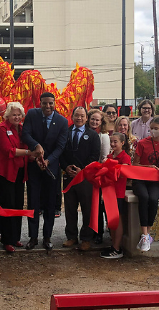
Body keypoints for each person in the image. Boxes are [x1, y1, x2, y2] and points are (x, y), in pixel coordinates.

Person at [21, 92, 68, 251]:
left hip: (51, 167)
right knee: (33, 202)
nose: (48, 106)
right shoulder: (32, 114)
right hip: (34, 165)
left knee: (49, 203)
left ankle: (47, 237)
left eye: (50, 103)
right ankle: (33, 237)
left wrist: (47, 161)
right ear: (39, 103)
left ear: (55, 104)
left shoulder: (62, 121)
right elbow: (25, 134)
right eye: (44, 103)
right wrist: (36, 146)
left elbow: (60, 146)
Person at [61, 107, 100, 251]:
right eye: (76, 115)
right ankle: (71, 236)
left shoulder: (93, 135)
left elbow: (94, 156)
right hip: (69, 176)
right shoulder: (65, 132)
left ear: (86, 118)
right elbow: (61, 152)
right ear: (72, 116)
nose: (79, 118)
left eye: (82, 116)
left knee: (87, 208)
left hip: (86, 177)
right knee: (70, 208)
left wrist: (82, 170)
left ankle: (86, 238)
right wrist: (66, 167)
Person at [131, 116, 159, 252]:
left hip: (156, 180)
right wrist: (147, 167)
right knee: (144, 197)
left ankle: (146, 235)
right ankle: (145, 234)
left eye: (156, 129)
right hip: (141, 179)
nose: (153, 131)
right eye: (151, 129)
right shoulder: (142, 143)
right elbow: (135, 164)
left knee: (154, 199)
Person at [0, 103, 30, 252]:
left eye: (19, 114)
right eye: (14, 114)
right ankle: (7, 240)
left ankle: (16, 237)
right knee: (8, 205)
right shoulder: (2, 129)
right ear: (7, 116)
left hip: (19, 172)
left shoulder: (21, 129)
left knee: (18, 205)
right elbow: (8, 150)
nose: (16, 117)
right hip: (6, 172)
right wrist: (29, 153)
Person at [100, 132, 131, 259]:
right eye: (111, 142)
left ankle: (117, 248)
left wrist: (108, 164)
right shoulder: (109, 156)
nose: (112, 144)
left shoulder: (125, 157)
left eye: (115, 142)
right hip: (108, 192)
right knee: (111, 220)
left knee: (116, 221)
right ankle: (114, 245)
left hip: (118, 193)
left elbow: (123, 173)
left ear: (122, 143)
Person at [87, 108, 110, 243]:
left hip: (98, 174)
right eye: (93, 119)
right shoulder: (86, 133)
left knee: (99, 205)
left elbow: (104, 158)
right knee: (90, 205)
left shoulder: (104, 136)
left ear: (101, 122)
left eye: (97, 120)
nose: (94, 122)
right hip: (87, 174)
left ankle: (99, 232)